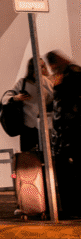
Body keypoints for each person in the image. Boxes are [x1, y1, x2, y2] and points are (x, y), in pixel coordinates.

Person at [46, 50, 80, 219]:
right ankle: (71, 208)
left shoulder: (70, 74)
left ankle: (72, 209)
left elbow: (63, 103)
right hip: (66, 132)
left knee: (67, 173)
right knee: (67, 172)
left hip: (71, 131)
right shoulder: (67, 73)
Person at [5, 57, 53, 152]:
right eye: (41, 66)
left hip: (44, 126)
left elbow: (54, 97)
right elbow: (6, 97)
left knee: (47, 155)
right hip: (28, 127)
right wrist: (16, 98)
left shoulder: (46, 81)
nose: (44, 68)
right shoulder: (22, 83)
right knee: (29, 157)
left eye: (44, 66)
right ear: (33, 67)